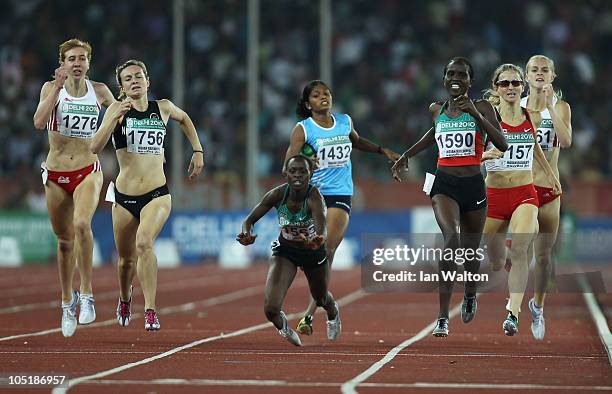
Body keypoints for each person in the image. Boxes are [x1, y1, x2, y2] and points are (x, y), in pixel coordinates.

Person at [392, 57, 508, 337]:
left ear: (470, 80)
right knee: (451, 239)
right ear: (444, 79)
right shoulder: (437, 109)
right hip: (443, 184)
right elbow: (434, 134)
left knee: (469, 252)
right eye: (451, 74)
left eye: (463, 74)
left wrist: (478, 116)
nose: (456, 78)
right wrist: (406, 155)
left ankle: (469, 294)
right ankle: (443, 316)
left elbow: (502, 144)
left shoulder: (483, 107)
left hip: (473, 187)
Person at [91, 59, 204, 331]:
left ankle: (151, 309)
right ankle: (125, 297)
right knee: (126, 260)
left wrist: (197, 150)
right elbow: (95, 146)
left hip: (157, 194)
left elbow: (185, 118)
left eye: (138, 76)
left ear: (147, 81)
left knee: (144, 243)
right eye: (128, 78)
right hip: (124, 197)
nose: (134, 81)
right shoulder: (116, 110)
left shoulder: (162, 108)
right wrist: (114, 118)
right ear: (121, 86)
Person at [284, 80, 400, 336]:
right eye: (316, 95)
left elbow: (356, 142)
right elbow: (287, 166)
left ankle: (309, 315)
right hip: (312, 196)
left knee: (326, 248)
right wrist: (304, 160)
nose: (323, 97)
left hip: (339, 194)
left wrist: (382, 151)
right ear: (307, 103)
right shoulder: (303, 129)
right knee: (311, 260)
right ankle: (330, 306)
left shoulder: (345, 121)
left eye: (326, 93)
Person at [33, 38, 115, 337]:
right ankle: (67, 301)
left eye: (82, 58)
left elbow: (124, 110)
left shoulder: (101, 92)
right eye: (71, 59)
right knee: (64, 242)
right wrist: (56, 88)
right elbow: (39, 122)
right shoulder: (49, 89)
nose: (77, 63)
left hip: (87, 169)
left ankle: (87, 294)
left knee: (82, 223)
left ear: (89, 63)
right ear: (63, 63)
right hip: (55, 172)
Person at [480, 63, 561, 336]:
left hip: (525, 193)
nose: (511, 88)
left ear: (522, 87)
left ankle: (512, 313)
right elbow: (461, 156)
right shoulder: (486, 119)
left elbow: (536, 148)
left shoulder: (529, 115)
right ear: (497, 89)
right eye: (505, 84)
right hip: (494, 195)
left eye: (515, 83)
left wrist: (550, 174)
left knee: (521, 248)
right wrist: (483, 156)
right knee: (493, 259)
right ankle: (506, 261)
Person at [236, 155, 341, 346]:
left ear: (311, 174)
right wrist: (246, 234)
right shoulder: (277, 195)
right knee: (270, 309)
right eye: (293, 171)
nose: (298, 175)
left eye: (303, 171)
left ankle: (333, 311)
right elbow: (249, 220)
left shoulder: (315, 197)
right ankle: (284, 328)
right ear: (286, 174)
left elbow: (322, 227)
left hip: (313, 252)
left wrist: (317, 240)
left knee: (320, 297)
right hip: (286, 252)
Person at [519, 55, 572, 340]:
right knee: (515, 251)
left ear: (553, 76)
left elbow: (565, 142)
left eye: (545, 70)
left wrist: (551, 106)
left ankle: (537, 307)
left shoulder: (561, 107)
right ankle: (513, 307)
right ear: (526, 76)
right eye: (534, 70)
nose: (539, 74)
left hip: (550, 191)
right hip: (522, 188)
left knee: (543, 255)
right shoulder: (516, 107)